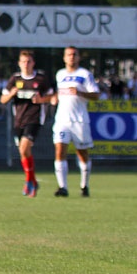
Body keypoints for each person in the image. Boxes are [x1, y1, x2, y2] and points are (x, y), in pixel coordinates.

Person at [0, 50, 53, 197]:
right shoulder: (15, 79)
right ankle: (33, 181)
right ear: (19, 63)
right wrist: (11, 94)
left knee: (24, 147)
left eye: (29, 61)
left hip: (35, 119)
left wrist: (41, 100)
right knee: (24, 152)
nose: (26, 64)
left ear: (33, 63)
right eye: (23, 61)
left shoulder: (40, 79)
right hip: (19, 120)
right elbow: (2, 100)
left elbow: (53, 97)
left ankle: (29, 181)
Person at [50, 46, 100, 197]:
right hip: (62, 120)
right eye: (68, 55)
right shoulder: (60, 74)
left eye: (74, 55)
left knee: (82, 153)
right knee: (59, 150)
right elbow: (58, 94)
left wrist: (80, 92)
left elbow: (96, 95)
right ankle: (62, 187)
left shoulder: (85, 74)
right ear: (64, 58)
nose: (71, 57)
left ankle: (84, 186)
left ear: (78, 57)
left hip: (79, 120)